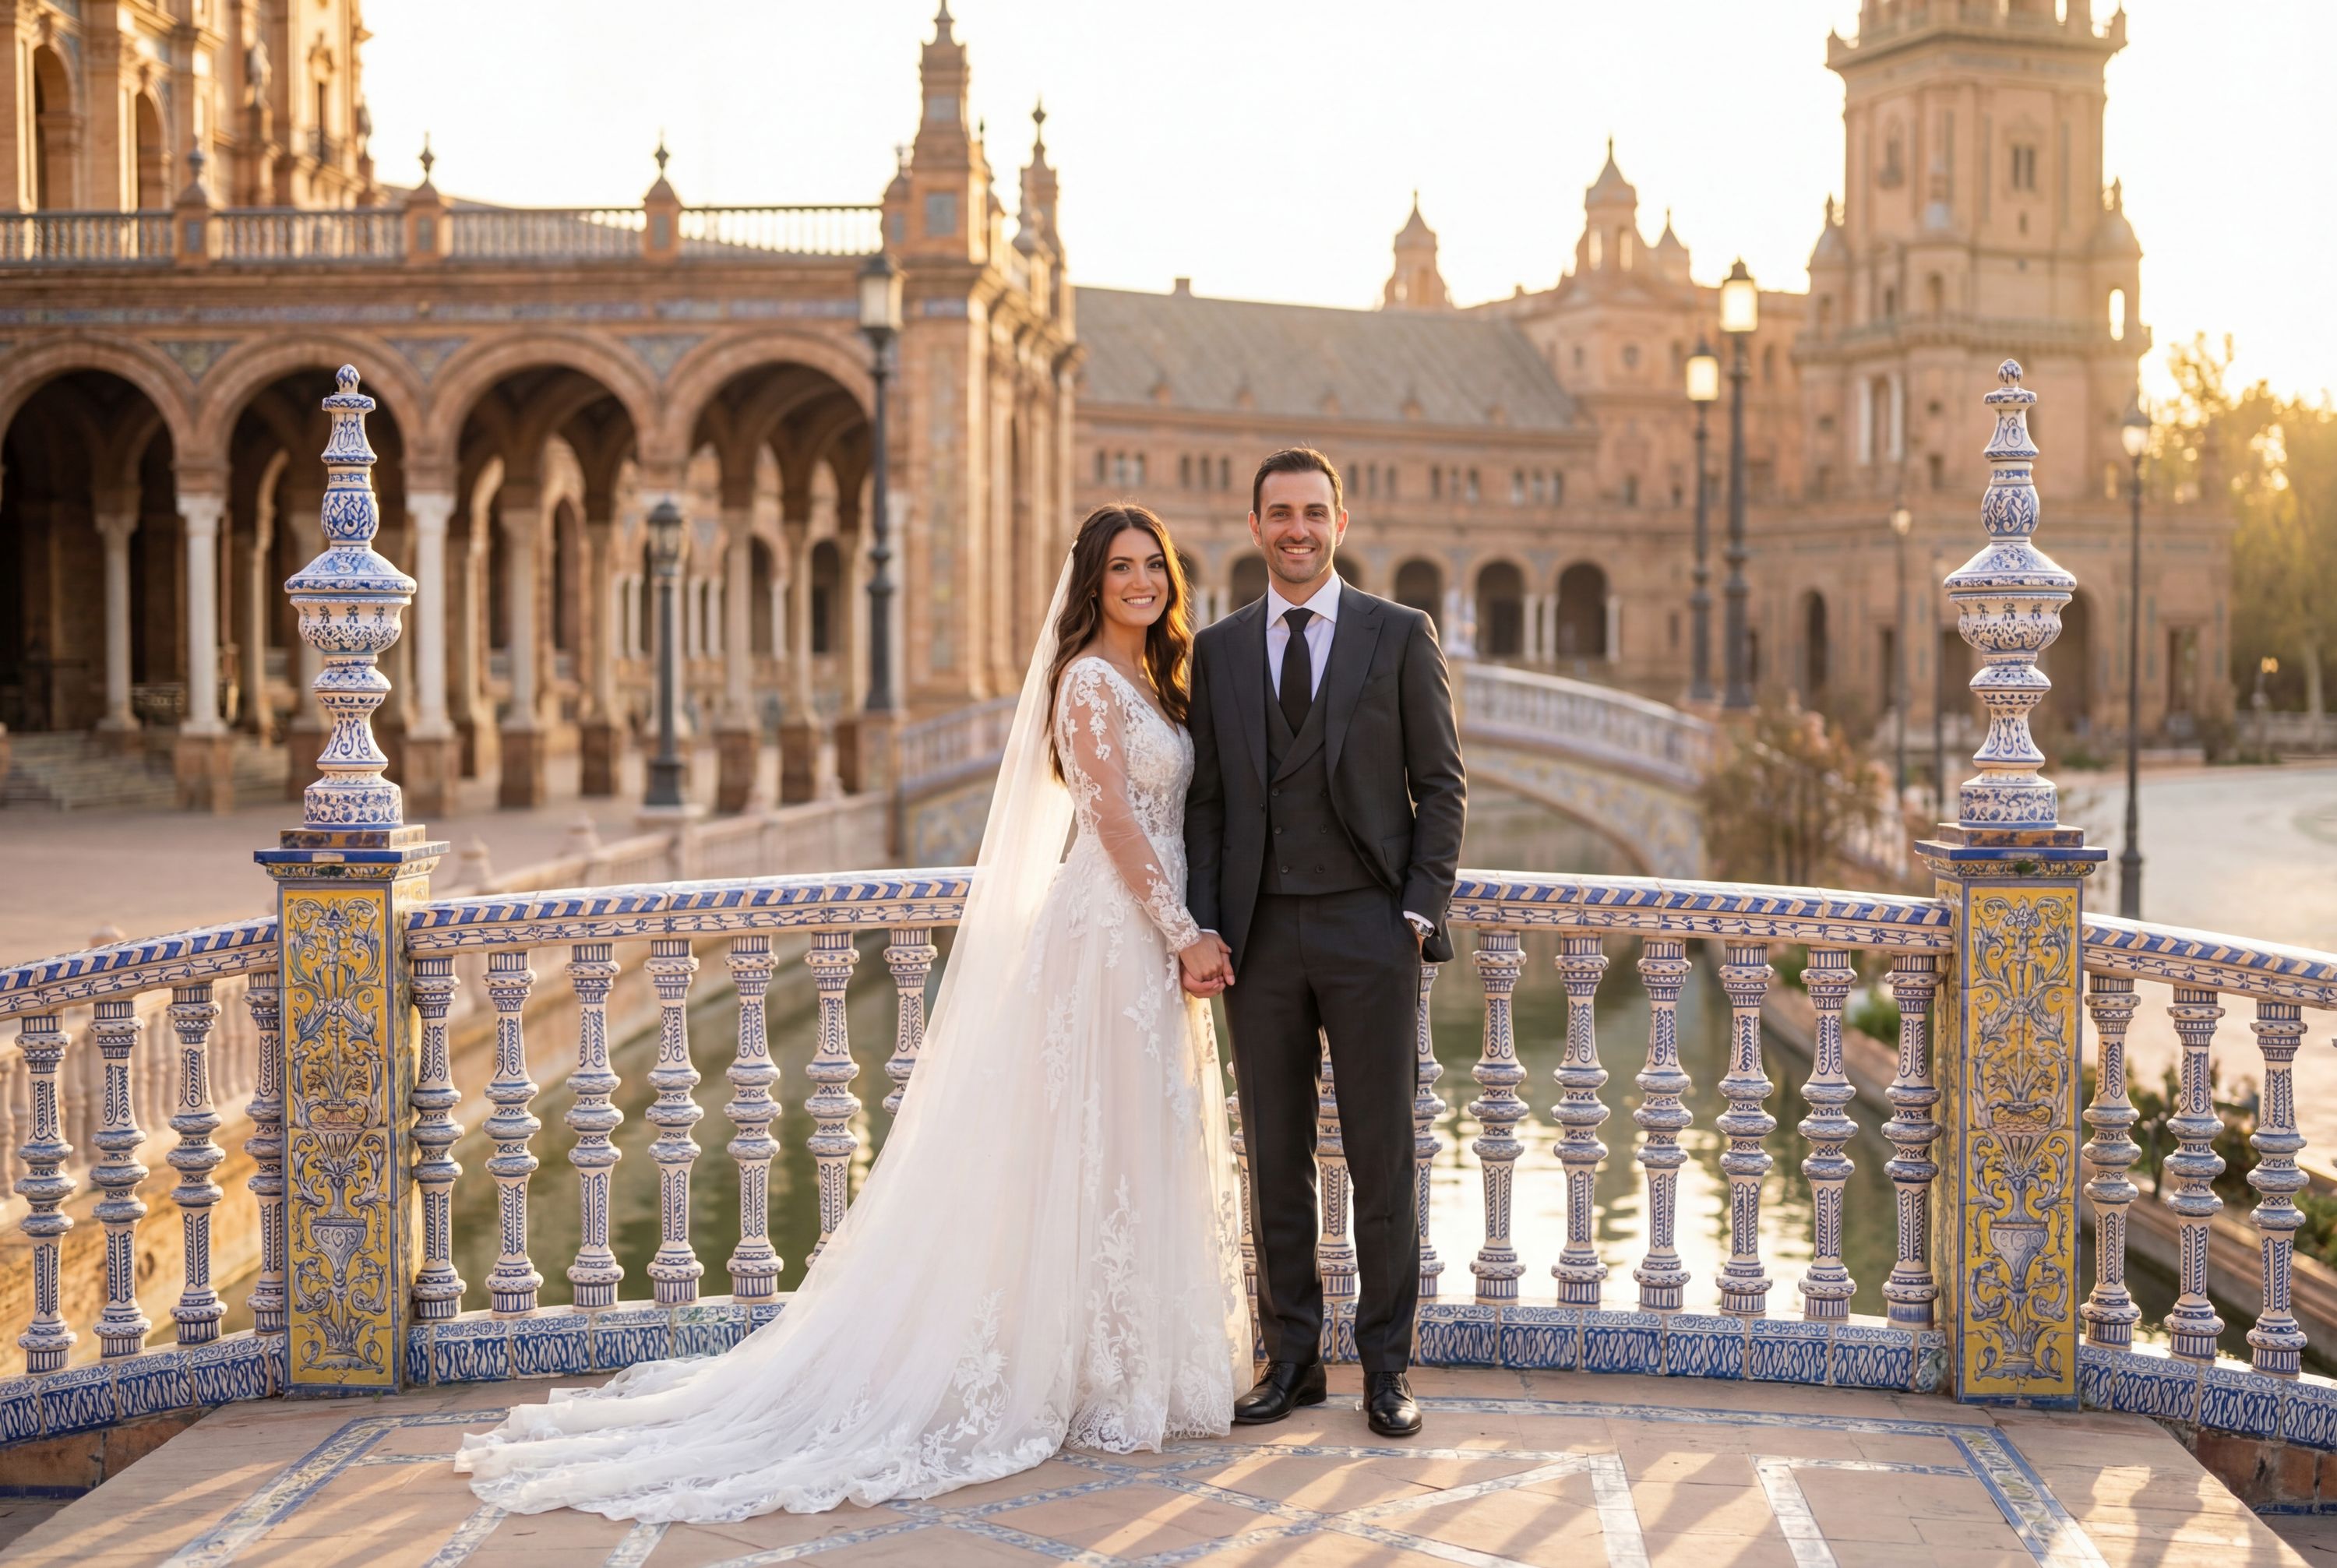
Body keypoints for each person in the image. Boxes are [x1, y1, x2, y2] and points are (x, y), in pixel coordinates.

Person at [453, 505, 1248, 1523]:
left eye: (1154, 567)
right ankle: (1069, 1367)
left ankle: (1121, 1362)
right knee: (1084, 1145)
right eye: (1123, 567)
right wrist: (1184, 931)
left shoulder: (1156, 680)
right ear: (1092, 582)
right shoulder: (1088, 681)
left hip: (1149, 939)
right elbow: (1111, 821)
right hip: (1111, 934)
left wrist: (1179, 932)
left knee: (1133, 1146)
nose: (1143, 581)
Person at [1180, 447, 1467, 1439]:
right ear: (1253, 526)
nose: (1295, 529)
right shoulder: (1217, 651)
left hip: (1368, 929)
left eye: (1312, 512)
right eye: (1278, 513)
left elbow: (1442, 786)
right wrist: (1207, 922)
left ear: (1340, 523)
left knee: (1383, 1157)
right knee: (1276, 1157)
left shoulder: (1399, 634)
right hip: (1257, 939)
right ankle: (1292, 1359)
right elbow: (1207, 804)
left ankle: (1387, 1368)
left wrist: (1418, 913)